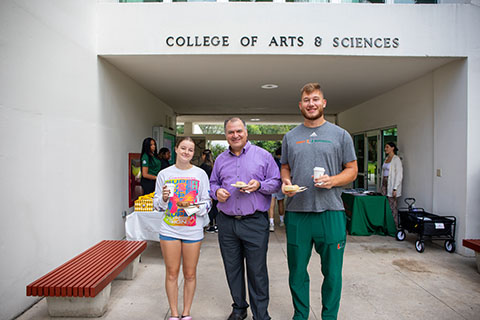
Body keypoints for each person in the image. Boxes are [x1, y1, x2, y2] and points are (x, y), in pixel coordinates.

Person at [281, 83, 358, 320]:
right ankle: (300, 315)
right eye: (306, 100)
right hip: (297, 213)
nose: (311, 104)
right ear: (300, 105)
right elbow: (285, 167)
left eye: (315, 99)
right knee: (296, 273)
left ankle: (329, 317)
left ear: (323, 103)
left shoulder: (340, 135)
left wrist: (333, 181)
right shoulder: (290, 136)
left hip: (331, 212)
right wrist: (286, 183)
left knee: (333, 273)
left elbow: (352, 170)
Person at [210, 117, 281, 320]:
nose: (235, 135)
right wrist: (217, 193)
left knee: (257, 271)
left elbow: (275, 182)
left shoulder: (263, 156)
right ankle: (239, 308)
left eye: (239, 131)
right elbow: (212, 183)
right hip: (227, 222)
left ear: (246, 132)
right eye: (231, 132)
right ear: (226, 135)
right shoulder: (220, 160)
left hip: (254, 222)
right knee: (232, 268)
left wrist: (259, 185)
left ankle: (261, 315)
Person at [153, 137, 212, 320]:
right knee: (171, 273)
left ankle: (186, 313)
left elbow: (208, 203)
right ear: (176, 150)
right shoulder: (164, 174)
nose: (187, 152)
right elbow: (157, 205)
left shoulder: (200, 174)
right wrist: (163, 198)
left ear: (193, 153)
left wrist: (192, 207)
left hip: (193, 230)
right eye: (183, 148)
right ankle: (174, 313)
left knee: (190, 273)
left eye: (191, 150)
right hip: (169, 229)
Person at [381, 142, 403, 227]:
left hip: (392, 183)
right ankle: (386, 224)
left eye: (387, 147)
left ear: (392, 148)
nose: (385, 149)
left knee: (392, 205)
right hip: (384, 182)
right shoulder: (386, 159)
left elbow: (399, 174)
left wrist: (395, 188)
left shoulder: (396, 159)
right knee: (385, 202)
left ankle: (394, 225)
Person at [200, 149, 219, 233]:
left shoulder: (203, 166)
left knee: (210, 208)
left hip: (207, 189)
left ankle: (211, 225)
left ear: (204, 155)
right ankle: (217, 225)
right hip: (214, 188)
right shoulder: (213, 165)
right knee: (215, 207)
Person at [268, 147, 285, 232]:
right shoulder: (284, 161)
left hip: (272, 183)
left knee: (271, 204)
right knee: (281, 202)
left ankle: (271, 223)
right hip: (281, 183)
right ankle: (282, 221)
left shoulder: (272, 160)